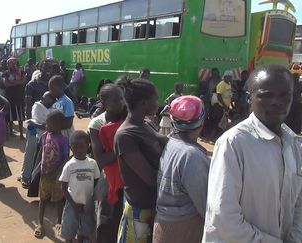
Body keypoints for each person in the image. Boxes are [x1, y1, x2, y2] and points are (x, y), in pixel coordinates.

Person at [203, 64, 302, 242]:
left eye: (284, 95)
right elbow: (223, 217)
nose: (277, 102)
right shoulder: (233, 143)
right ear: (249, 98)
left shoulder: (293, 144)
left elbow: (298, 204)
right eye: (266, 95)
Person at [114, 79, 168, 243]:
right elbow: (150, 178)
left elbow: (167, 141)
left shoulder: (146, 125)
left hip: (154, 207)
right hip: (140, 211)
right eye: (156, 98)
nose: (158, 103)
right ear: (144, 103)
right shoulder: (125, 136)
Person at [153, 95, 210, 243]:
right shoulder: (192, 155)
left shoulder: (171, 142)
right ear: (202, 122)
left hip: (163, 224)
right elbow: (206, 206)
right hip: (184, 228)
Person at [88, 83, 126, 243]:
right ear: (104, 104)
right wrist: (124, 146)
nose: (122, 102)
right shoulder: (97, 124)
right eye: (116, 100)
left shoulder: (129, 116)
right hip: (109, 177)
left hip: (130, 174)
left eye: (122, 98)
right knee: (106, 220)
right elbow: (101, 160)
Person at [59, 130, 100, 243]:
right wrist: (73, 204)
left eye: (82, 147)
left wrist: (92, 201)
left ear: (88, 146)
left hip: (88, 205)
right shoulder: (69, 165)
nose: (79, 150)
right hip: (72, 204)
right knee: (69, 231)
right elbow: (63, 187)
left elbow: (97, 183)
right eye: (75, 147)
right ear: (71, 148)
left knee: (85, 230)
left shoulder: (92, 163)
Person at [34, 110, 70, 239]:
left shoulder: (64, 140)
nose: (46, 126)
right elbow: (41, 151)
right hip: (45, 174)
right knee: (43, 199)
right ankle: (40, 223)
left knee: (58, 200)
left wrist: (57, 171)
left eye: (48, 124)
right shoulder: (44, 135)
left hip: (57, 176)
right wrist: (37, 168)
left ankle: (59, 222)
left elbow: (66, 157)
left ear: (58, 125)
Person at [20, 91, 55, 188]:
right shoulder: (37, 107)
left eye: (52, 99)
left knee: (39, 158)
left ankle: (31, 176)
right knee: (30, 154)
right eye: (49, 98)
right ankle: (25, 177)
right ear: (43, 98)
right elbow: (43, 124)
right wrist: (49, 125)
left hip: (46, 136)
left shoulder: (52, 108)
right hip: (34, 133)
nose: (52, 100)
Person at [4, 57, 26, 139]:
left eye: (9, 63)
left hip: (19, 97)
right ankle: (9, 133)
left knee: (20, 116)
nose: (8, 65)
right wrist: (17, 83)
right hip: (9, 97)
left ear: (14, 63)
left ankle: (21, 134)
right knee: (9, 117)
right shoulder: (6, 73)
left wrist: (13, 82)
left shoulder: (21, 72)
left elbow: (24, 81)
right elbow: (6, 84)